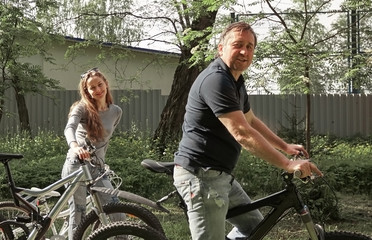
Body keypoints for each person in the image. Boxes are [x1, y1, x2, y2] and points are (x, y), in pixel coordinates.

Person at [173, 22, 323, 240]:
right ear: (221, 48)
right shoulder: (216, 80)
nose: (244, 51)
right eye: (238, 45)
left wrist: (285, 147)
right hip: (201, 176)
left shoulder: (235, 80)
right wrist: (287, 164)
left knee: (256, 229)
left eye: (250, 46)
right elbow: (241, 132)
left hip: (220, 175)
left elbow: (250, 120)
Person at [61, 67, 124, 239]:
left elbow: (105, 141)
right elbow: (69, 128)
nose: (97, 90)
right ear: (87, 91)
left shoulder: (116, 111)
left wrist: (102, 162)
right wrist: (75, 146)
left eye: (100, 85)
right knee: (79, 212)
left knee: (115, 208)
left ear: (106, 84)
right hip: (77, 165)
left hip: (97, 168)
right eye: (92, 88)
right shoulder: (81, 108)